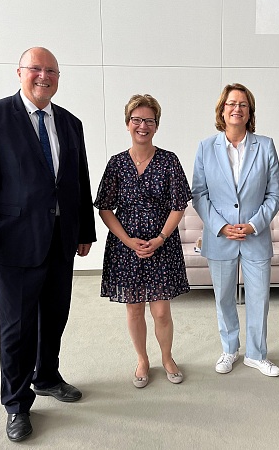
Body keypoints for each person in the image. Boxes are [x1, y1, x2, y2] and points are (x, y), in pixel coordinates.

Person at [0, 47, 96, 441]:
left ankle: (47, 377)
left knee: (54, 316)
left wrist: (84, 229)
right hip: (14, 243)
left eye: (51, 70)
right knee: (17, 328)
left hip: (60, 240)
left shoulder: (70, 123)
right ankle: (16, 404)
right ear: (19, 73)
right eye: (35, 69)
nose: (43, 76)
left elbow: (78, 181)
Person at [94, 94, 191, 389]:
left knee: (161, 310)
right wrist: (128, 241)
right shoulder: (116, 164)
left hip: (161, 246)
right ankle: (142, 359)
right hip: (126, 249)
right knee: (134, 308)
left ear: (156, 125)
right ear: (127, 124)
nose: (142, 125)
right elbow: (105, 208)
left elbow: (179, 206)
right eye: (136, 119)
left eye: (149, 120)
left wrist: (160, 238)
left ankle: (166, 357)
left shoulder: (169, 161)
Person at [192, 83, 279, 377]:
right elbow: (199, 194)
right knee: (224, 298)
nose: (237, 108)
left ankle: (256, 355)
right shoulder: (206, 147)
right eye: (231, 103)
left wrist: (255, 224)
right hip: (220, 238)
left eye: (243, 104)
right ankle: (229, 350)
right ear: (222, 110)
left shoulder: (266, 146)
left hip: (255, 236)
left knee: (259, 298)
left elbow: (275, 194)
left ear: (249, 112)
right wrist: (221, 227)